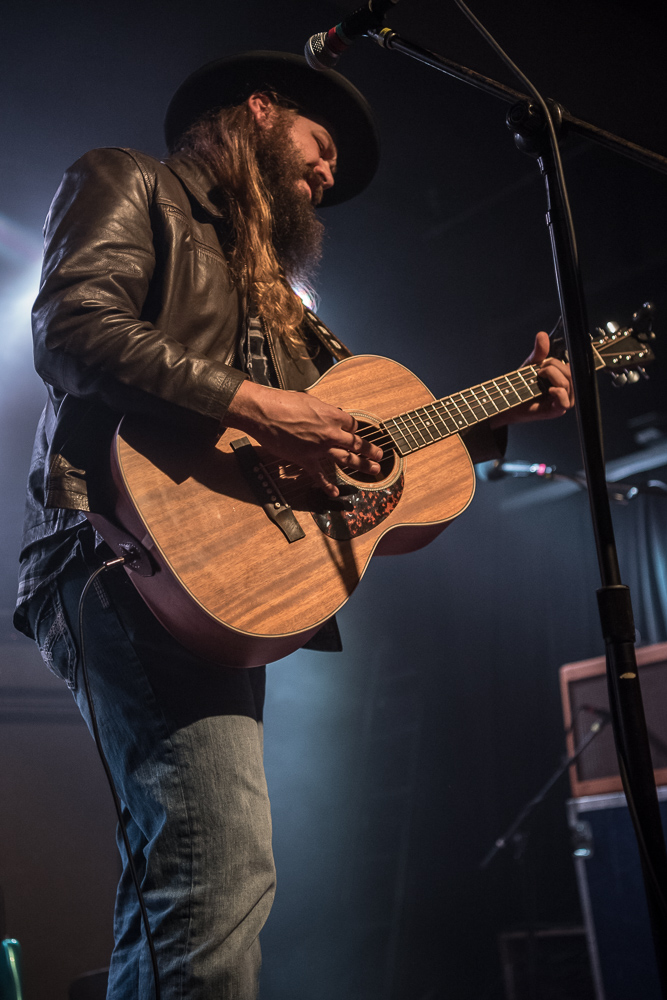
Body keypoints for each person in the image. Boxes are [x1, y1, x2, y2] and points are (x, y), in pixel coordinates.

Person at [14, 51, 573, 999]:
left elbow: (367, 441)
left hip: (228, 581)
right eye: (322, 148)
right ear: (261, 111)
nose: (327, 177)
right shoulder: (129, 181)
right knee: (217, 875)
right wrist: (268, 411)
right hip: (118, 547)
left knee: (194, 880)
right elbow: (72, 332)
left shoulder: (279, 300)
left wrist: (496, 418)